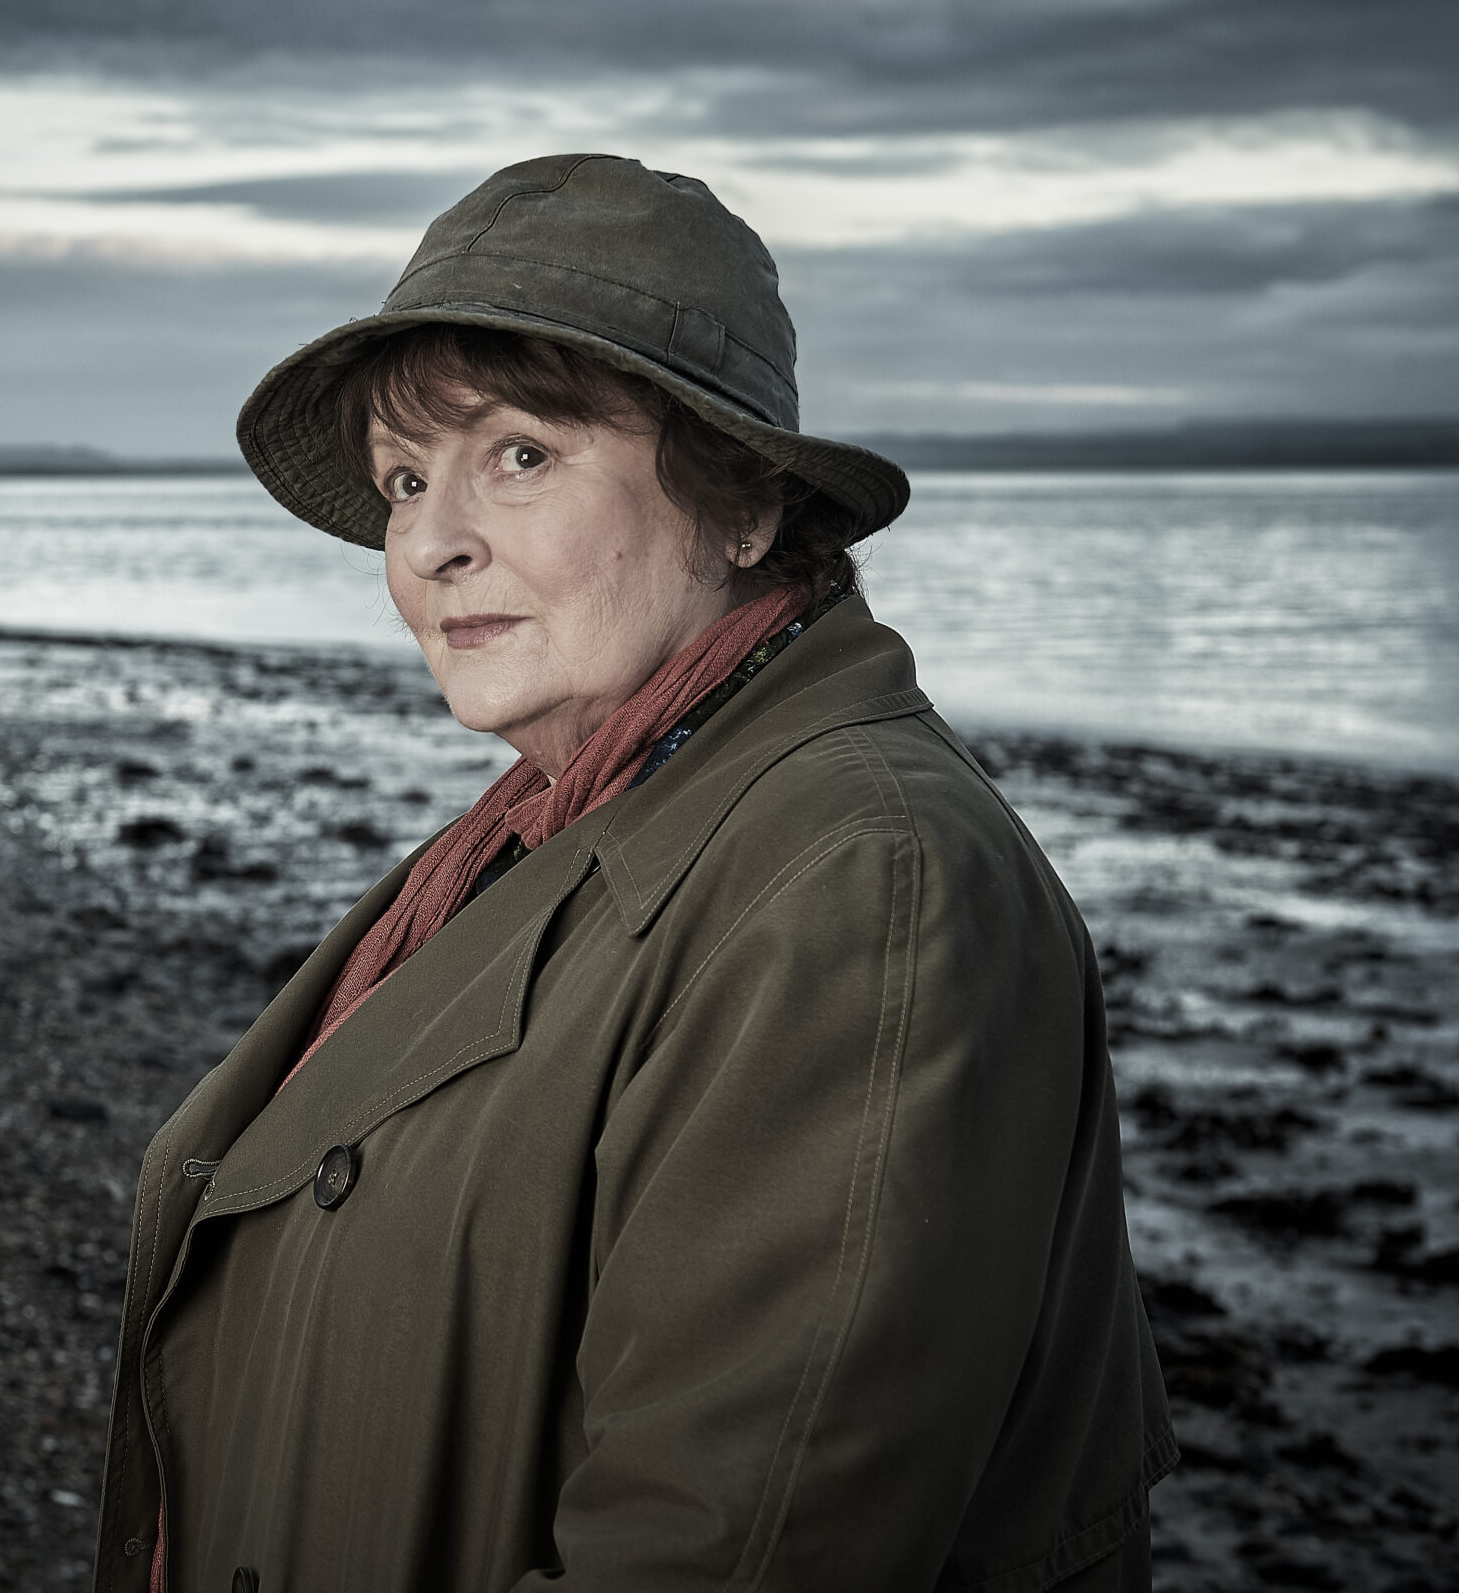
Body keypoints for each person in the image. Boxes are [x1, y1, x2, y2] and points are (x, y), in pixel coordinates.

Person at [92, 156, 1174, 1590]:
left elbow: (727, 1548)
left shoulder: (869, 881)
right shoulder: (565, 812)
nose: (428, 541)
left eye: (520, 455)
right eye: (405, 478)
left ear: (738, 507)